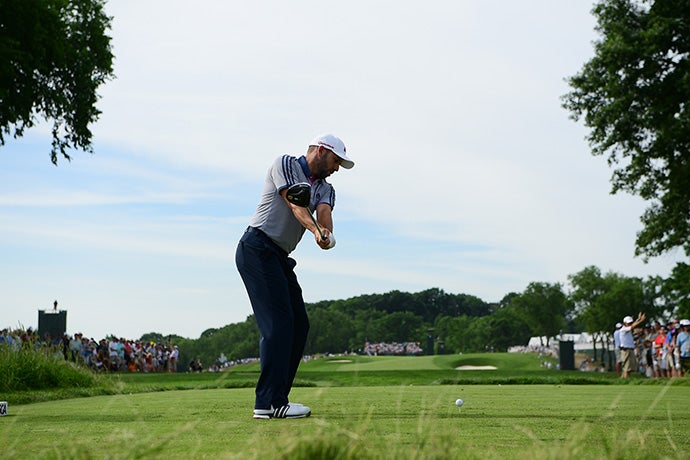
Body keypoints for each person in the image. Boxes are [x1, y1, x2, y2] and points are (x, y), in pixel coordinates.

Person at [235, 133, 354, 419]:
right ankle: (268, 403)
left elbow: (323, 212)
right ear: (321, 151)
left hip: (279, 257)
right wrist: (314, 230)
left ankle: (278, 398)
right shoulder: (286, 164)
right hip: (257, 247)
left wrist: (325, 233)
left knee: (299, 325)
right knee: (278, 324)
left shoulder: (327, 188)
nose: (337, 168)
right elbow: (296, 203)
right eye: (336, 160)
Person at [619, 312, 646, 378]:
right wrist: (641, 320)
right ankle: (625, 380)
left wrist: (638, 319)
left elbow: (633, 325)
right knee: (627, 368)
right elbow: (633, 326)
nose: (630, 324)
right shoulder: (623, 329)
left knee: (629, 368)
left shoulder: (627, 328)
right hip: (626, 350)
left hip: (629, 350)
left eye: (631, 323)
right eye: (629, 323)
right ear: (625, 323)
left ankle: (623, 380)